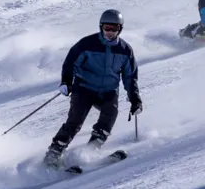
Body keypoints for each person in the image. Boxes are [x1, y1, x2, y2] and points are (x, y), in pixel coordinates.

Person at [44, 9, 143, 168]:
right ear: (101, 27)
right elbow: (71, 63)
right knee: (75, 121)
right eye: (107, 28)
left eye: (114, 29)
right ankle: (54, 153)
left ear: (120, 29)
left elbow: (130, 77)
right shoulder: (87, 44)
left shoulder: (125, 50)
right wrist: (66, 82)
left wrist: (135, 99)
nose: (110, 32)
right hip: (84, 88)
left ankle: (90, 151)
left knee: (109, 116)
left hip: (108, 91)